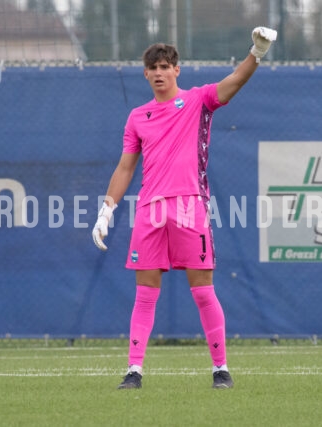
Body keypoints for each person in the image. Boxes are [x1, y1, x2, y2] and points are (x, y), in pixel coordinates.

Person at [92, 27, 277, 390]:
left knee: (203, 290)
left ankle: (220, 369)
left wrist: (257, 52)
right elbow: (126, 166)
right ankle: (134, 371)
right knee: (145, 292)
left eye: (165, 66)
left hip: (191, 206)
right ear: (145, 74)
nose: (159, 73)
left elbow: (234, 82)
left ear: (177, 69)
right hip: (149, 210)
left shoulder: (198, 100)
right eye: (153, 68)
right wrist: (106, 211)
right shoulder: (137, 117)